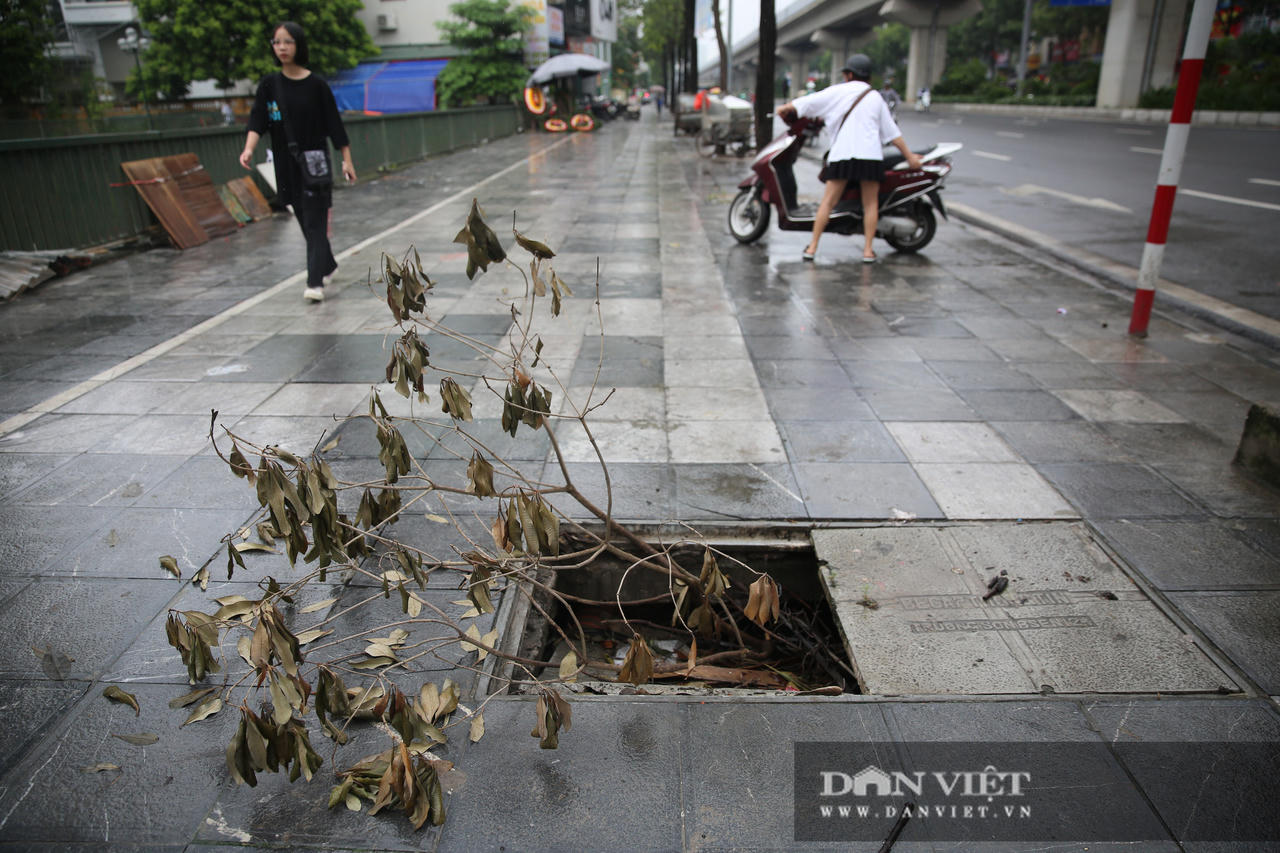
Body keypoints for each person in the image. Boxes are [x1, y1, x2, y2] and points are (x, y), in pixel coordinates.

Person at [240, 21, 355, 303]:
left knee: (315, 222)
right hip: (286, 164)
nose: (282, 47)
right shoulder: (269, 85)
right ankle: (327, 264)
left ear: (299, 45)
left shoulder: (317, 86)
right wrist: (248, 149)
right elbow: (258, 119)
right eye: (277, 42)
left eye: (288, 41)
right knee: (304, 220)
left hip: (315, 162)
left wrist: (347, 160)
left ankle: (314, 282)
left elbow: (334, 125)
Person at [778, 54, 922, 264]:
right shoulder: (875, 97)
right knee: (870, 204)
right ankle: (867, 251)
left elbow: (810, 102)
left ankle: (812, 247)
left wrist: (787, 107)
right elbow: (893, 133)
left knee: (827, 202)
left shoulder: (838, 91)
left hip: (842, 155)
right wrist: (910, 157)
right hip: (870, 157)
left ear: (850, 74)